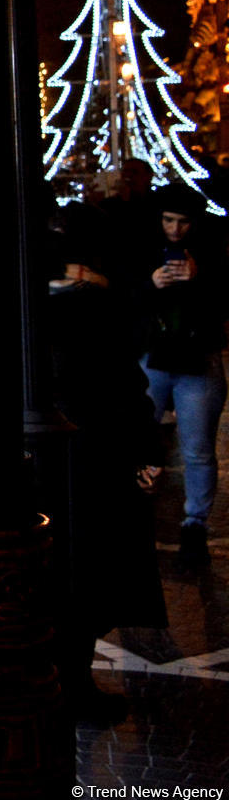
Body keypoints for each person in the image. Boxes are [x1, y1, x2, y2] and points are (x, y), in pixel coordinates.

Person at [45, 204, 167, 718]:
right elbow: (127, 386)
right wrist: (147, 452)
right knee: (88, 575)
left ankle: (64, 680)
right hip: (94, 457)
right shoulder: (95, 308)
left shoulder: (30, 310)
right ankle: (73, 683)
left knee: (65, 575)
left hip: (52, 461)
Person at [136, 185, 227, 570]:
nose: (175, 229)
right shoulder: (143, 249)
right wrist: (151, 284)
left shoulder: (211, 252)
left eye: (183, 222)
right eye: (168, 220)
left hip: (197, 359)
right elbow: (126, 299)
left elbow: (221, 302)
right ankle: (138, 514)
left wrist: (198, 278)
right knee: (137, 440)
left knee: (198, 448)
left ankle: (195, 526)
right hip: (154, 357)